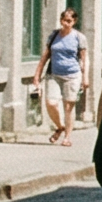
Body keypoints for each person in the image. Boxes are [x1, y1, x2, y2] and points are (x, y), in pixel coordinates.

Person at [41, 8, 89, 145]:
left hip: (72, 75)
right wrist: (37, 74)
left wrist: (85, 77)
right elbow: (45, 56)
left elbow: (84, 59)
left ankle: (67, 137)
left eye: (69, 21)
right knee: (51, 103)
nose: (66, 23)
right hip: (54, 74)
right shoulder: (54, 35)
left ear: (74, 21)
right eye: (64, 20)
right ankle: (60, 126)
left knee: (68, 106)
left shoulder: (79, 37)